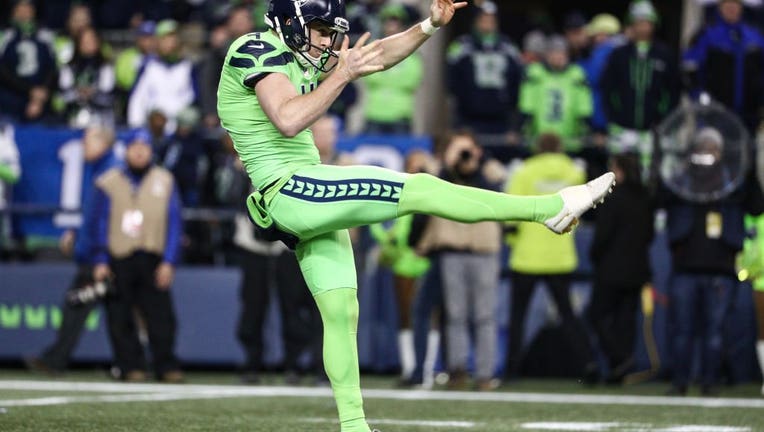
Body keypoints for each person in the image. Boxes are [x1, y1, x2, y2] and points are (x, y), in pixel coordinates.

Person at [216, 0, 615, 430]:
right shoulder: (255, 48)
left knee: (341, 311)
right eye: (317, 27)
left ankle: (354, 427)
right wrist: (343, 74)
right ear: (289, 23)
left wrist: (427, 26)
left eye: (330, 29)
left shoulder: (301, 56)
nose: (326, 39)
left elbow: (378, 55)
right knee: (420, 187)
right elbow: (289, 120)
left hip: (301, 191)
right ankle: (548, 209)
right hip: (290, 188)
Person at [659, 127, 764, 396]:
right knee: (682, 330)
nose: (707, 152)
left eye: (712, 147)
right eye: (702, 146)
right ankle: (680, 382)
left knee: (715, 331)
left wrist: (749, 171)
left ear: (720, 151)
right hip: (685, 265)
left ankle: (709, 383)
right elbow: (661, 198)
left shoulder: (734, 180)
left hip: (721, 267)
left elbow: (756, 206)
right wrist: (671, 157)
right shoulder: (683, 179)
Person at [503, 133, 598, 382]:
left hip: (526, 255)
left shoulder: (525, 171)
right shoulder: (573, 173)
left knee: (518, 316)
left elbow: (511, 213)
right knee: (568, 315)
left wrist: (512, 240)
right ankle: (588, 363)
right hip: (560, 255)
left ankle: (512, 370)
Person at [91, 129, 184, 383]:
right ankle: (130, 366)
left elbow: (174, 223)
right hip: (119, 255)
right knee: (119, 315)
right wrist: (100, 259)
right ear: (126, 150)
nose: (140, 151)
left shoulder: (164, 180)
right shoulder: (109, 181)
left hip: (152, 255)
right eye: (135, 146)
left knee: (161, 316)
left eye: (145, 146)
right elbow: (99, 222)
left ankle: (166, 365)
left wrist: (169, 260)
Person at [25, 126, 119, 374]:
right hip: (98, 253)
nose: (83, 146)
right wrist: (77, 234)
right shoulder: (102, 169)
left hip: (102, 257)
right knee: (115, 311)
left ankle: (55, 360)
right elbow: (93, 216)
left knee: (77, 307)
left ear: (102, 142)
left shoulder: (111, 172)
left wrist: (101, 256)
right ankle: (133, 364)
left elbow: (109, 220)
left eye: (88, 141)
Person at [415, 131, 503, 391]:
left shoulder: (488, 171)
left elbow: (494, 193)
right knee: (455, 315)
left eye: (468, 150)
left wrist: (478, 164)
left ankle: (485, 374)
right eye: (459, 150)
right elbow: (434, 191)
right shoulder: (445, 174)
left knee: (485, 315)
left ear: (477, 150)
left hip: (484, 251)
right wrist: (448, 164)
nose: (464, 155)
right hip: (452, 251)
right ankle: (457, 370)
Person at [588, 153, 654, 384]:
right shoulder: (645, 197)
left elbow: (602, 235)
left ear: (620, 171)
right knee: (626, 320)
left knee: (596, 315)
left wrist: (594, 256)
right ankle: (621, 369)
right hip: (637, 268)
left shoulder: (613, 197)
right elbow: (649, 235)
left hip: (611, 268)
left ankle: (619, 359)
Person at [600, 1, 679, 169]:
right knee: (616, 174)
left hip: (650, 128)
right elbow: (607, 88)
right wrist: (614, 116)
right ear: (631, 25)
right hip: (621, 127)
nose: (643, 28)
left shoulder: (664, 55)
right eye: (638, 23)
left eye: (647, 23)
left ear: (653, 25)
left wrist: (661, 117)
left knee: (648, 174)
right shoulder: (619, 54)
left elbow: (673, 90)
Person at [446, 1, 524, 146]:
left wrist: (514, 125)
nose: (487, 24)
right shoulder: (462, 46)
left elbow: (517, 83)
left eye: (491, 20)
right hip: (469, 119)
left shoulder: (509, 47)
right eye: (483, 19)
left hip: (501, 119)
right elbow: (452, 83)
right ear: (475, 21)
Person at [683, 0, 764, 132]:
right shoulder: (706, 35)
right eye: (727, 3)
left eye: (736, 3)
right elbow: (689, 70)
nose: (732, 7)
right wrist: (699, 97)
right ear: (719, 6)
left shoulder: (756, 38)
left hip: (749, 117)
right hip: (714, 115)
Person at [519, 36, 593, 153]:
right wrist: (524, 122)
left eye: (562, 53)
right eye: (554, 52)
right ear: (547, 55)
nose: (558, 57)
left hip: (569, 140)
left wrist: (585, 123)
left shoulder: (576, 73)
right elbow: (527, 101)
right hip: (540, 139)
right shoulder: (535, 72)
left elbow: (583, 102)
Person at [362, 4, 422, 135]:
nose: (391, 26)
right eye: (388, 22)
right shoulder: (373, 50)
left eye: (395, 22)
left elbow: (411, 80)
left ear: (402, 25)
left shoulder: (412, 54)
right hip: (374, 113)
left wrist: (383, 74)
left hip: (400, 114)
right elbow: (367, 76)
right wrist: (394, 75)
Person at [127, 19, 196, 133]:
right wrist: (136, 128)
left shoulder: (188, 67)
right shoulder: (148, 67)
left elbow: (193, 98)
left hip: (179, 131)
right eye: (166, 39)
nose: (171, 43)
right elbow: (137, 100)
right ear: (157, 42)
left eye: (174, 38)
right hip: (152, 131)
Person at [0, 0, 57, 123]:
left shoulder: (45, 35)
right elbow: (2, 71)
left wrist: (39, 97)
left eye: (28, 8)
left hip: (41, 101)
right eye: (20, 8)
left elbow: (53, 68)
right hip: (9, 101)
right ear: (13, 11)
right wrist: (30, 90)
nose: (24, 12)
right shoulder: (4, 36)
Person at [58, 27, 116, 128]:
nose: (88, 44)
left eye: (91, 40)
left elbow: (109, 94)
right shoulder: (69, 67)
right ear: (78, 43)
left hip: (101, 120)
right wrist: (78, 93)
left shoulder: (105, 67)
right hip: (73, 119)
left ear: (98, 43)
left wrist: (93, 93)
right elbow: (63, 93)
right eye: (85, 41)